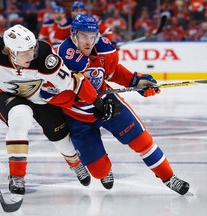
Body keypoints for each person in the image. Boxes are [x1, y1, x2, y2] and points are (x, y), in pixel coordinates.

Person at [0, 24, 120, 198]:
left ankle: (74, 162)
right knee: (20, 118)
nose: (31, 55)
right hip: (7, 96)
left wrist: (97, 103)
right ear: (10, 51)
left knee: (61, 138)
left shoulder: (44, 57)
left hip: (41, 97)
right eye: (25, 52)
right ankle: (17, 176)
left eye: (32, 49)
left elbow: (75, 83)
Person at [56, 14, 190, 195]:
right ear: (73, 35)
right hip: (77, 116)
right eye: (83, 36)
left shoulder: (102, 49)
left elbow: (113, 72)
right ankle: (104, 169)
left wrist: (136, 81)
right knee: (99, 171)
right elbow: (63, 94)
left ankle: (169, 178)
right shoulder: (63, 58)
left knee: (143, 142)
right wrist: (94, 103)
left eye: (92, 36)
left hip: (108, 104)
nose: (88, 42)